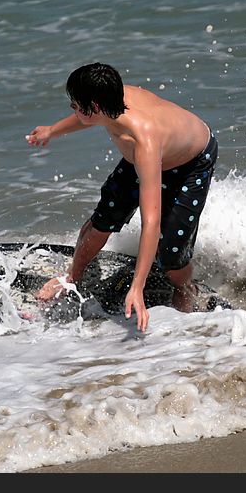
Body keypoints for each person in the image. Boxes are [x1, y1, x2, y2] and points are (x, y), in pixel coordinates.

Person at [26, 63, 217, 332]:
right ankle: (71, 277)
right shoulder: (111, 100)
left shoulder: (143, 140)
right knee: (104, 219)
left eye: (75, 105)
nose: (72, 109)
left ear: (92, 106)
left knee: (171, 251)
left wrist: (136, 287)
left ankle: (187, 288)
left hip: (191, 163)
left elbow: (151, 222)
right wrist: (52, 130)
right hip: (143, 157)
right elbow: (84, 118)